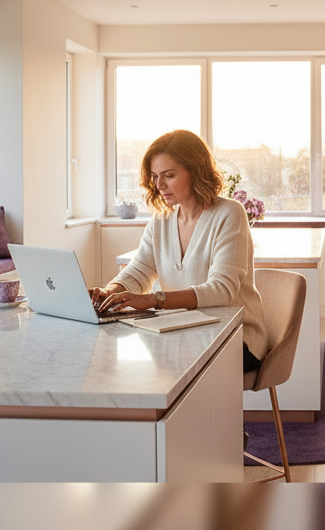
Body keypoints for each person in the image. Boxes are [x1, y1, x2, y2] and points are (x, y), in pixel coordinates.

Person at [90, 130, 268, 373]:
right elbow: (139, 272)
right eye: (155, 176)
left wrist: (153, 300)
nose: (159, 185)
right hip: (185, 332)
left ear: (196, 171)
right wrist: (109, 294)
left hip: (235, 338)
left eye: (169, 175)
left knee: (149, 364)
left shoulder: (230, 213)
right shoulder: (161, 220)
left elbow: (222, 290)